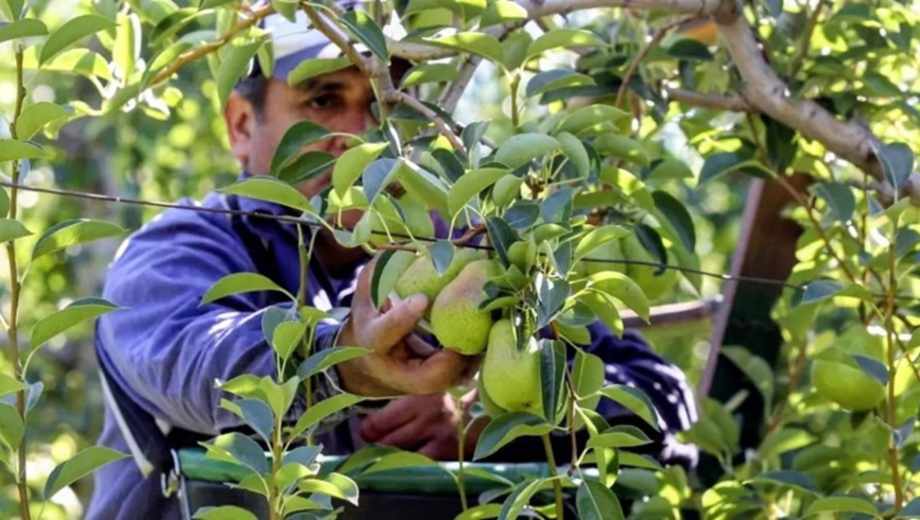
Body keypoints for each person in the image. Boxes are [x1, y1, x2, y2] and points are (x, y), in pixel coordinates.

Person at [87, 7, 697, 519]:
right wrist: (350, 358)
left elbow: (658, 395)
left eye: (384, 103)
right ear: (244, 125)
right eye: (324, 99)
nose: (363, 136)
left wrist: (494, 416)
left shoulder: (461, 254)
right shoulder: (178, 252)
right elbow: (201, 365)